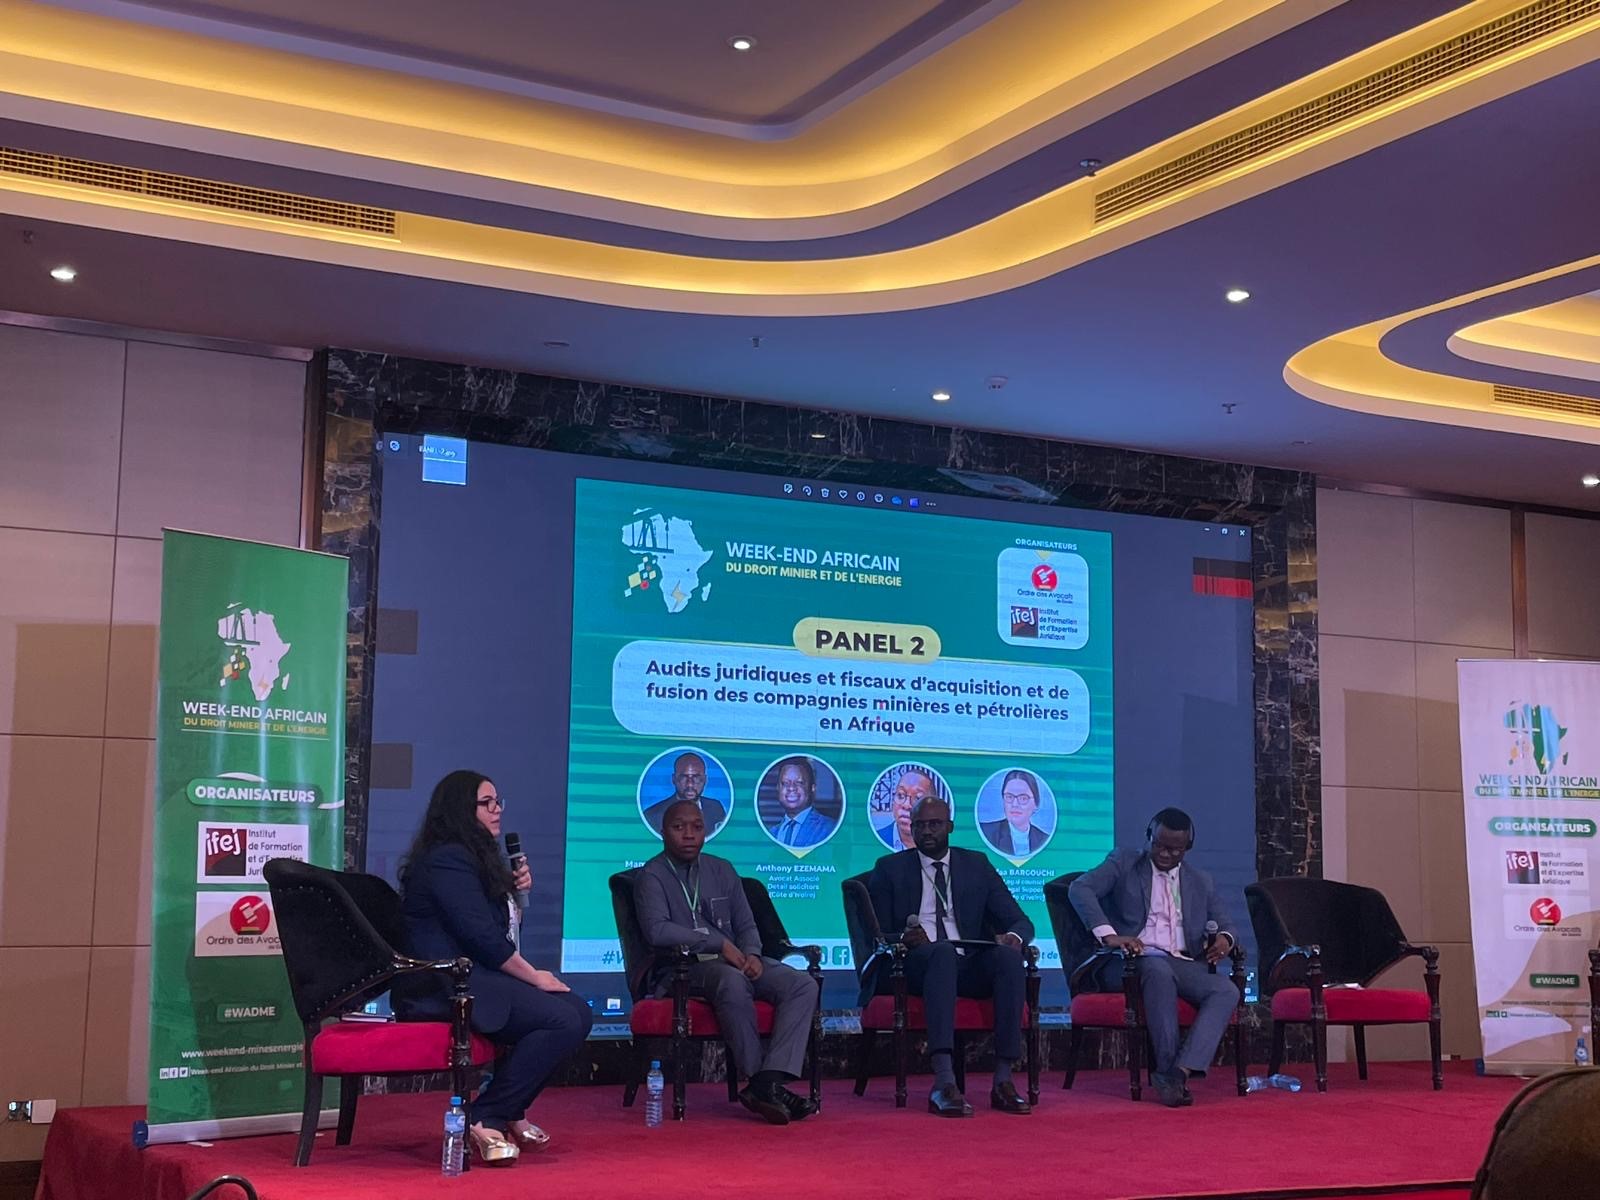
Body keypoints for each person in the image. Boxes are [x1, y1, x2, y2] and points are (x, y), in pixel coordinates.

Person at [392, 770, 592, 1165]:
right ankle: (486, 1116)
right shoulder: (447, 859)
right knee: (562, 1020)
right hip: (444, 983)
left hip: (475, 977)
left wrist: (515, 896)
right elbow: (481, 936)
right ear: (461, 810)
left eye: (498, 801)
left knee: (577, 1011)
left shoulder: (474, 860)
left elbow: (500, 933)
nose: (497, 809)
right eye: (487, 803)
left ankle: (508, 1108)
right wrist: (534, 977)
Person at [634, 800, 820, 1125]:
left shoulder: (722, 869)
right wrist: (718, 943)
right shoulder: (652, 875)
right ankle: (760, 1081)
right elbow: (657, 931)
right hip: (683, 969)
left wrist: (753, 954)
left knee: (801, 984)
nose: (689, 835)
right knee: (732, 980)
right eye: (679, 827)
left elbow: (746, 924)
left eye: (696, 827)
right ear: (662, 832)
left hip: (736, 961)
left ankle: (767, 1082)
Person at [865, 797, 1034, 1118]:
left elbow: (1020, 921)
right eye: (919, 825)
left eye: (935, 824)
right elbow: (877, 934)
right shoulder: (889, 869)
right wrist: (903, 938)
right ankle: (944, 1082)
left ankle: (1003, 1081)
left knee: (1008, 959)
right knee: (941, 953)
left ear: (950, 827)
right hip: (914, 966)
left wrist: (1014, 938)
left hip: (967, 962)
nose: (926, 831)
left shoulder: (976, 865)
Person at [1068, 807, 1238, 1108]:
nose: (1164, 854)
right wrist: (1109, 935)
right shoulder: (1124, 862)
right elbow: (1080, 889)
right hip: (1129, 962)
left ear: (1188, 847)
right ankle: (1167, 1069)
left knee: (1226, 990)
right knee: (1157, 970)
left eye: (1174, 849)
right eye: (1158, 844)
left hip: (1181, 962)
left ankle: (1177, 1073)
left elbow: (1225, 923)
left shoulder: (1200, 880)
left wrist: (1225, 938)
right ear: (1149, 835)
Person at [641, 751, 728, 835]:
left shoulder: (716, 808)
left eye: (696, 777)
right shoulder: (653, 815)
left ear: (705, 780)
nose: (690, 784)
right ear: (674, 779)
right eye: (683, 777)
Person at [766, 756, 836, 848]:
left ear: (812, 788)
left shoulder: (830, 828)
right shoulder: (771, 833)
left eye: (799, 783)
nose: (791, 788)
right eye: (785, 783)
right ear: (778, 788)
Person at [978, 770, 1051, 858]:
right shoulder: (986, 832)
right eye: (1009, 797)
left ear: (1036, 804)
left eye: (1023, 798)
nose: (1015, 804)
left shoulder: (1044, 839)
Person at [873, 765, 937, 850]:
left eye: (918, 798)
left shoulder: (940, 844)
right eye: (900, 795)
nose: (906, 805)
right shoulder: (876, 839)